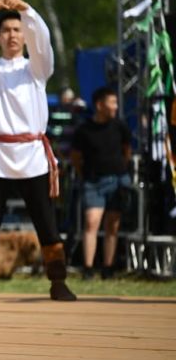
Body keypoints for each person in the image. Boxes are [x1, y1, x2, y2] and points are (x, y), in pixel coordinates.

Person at [0, 0, 77, 302]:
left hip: (32, 156)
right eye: (6, 30)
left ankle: (58, 281)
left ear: (24, 34)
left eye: (17, 29)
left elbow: (44, 44)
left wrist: (26, 10)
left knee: (46, 221)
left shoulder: (36, 70)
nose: (12, 35)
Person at [71, 87, 132, 279]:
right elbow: (75, 156)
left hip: (117, 179)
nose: (115, 107)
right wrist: (84, 175)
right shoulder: (84, 130)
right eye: (111, 102)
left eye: (116, 102)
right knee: (91, 222)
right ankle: (88, 268)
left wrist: (122, 169)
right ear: (99, 105)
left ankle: (108, 267)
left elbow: (127, 150)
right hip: (93, 181)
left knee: (112, 225)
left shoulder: (120, 126)